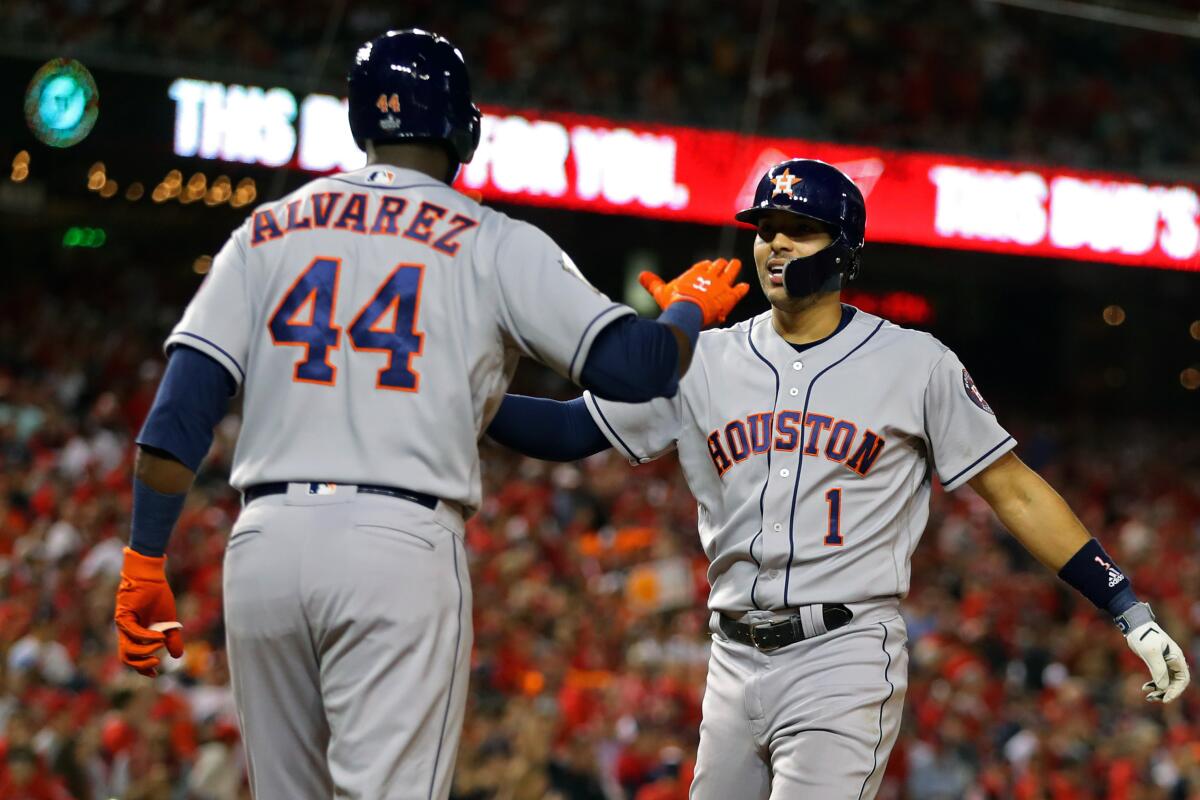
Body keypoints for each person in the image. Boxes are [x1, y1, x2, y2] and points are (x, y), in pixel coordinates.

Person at [111, 28, 748, 799]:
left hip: (264, 551)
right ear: (464, 128)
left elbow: (178, 414)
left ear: (359, 120)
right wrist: (685, 310)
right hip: (396, 551)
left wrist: (146, 557)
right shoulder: (490, 240)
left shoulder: (270, 227)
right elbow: (640, 366)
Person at [486, 158, 1191, 798]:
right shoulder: (704, 356)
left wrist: (1125, 605)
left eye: (800, 229)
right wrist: (458, 395)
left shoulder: (915, 363)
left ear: (844, 252)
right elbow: (569, 429)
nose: (775, 244)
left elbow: (1014, 489)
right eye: (765, 228)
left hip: (844, 655)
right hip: (731, 655)